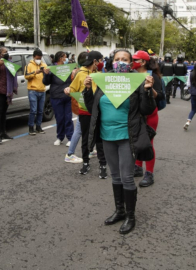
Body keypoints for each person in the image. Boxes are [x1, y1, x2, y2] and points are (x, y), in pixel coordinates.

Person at [82, 49, 156, 234]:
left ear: (131, 64)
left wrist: (147, 91)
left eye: (125, 59)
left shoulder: (137, 81)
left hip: (127, 136)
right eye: (117, 59)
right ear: (112, 61)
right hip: (107, 136)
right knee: (114, 176)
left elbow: (146, 110)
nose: (121, 62)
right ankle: (120, 211)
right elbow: (93, 108)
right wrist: (87, 90)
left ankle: (131, 216)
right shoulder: (104, 80)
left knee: (126, 177)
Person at [64, 51, 107, 178]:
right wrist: (67, 90)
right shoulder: (80, 74)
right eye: (100, 60)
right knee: (86, 139)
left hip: (100, 111)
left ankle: (103, 165)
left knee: (100, 138)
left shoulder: (100, 75)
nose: (101, 63)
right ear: (95, 61)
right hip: (85, 111)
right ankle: (86, 163)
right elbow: (72, 89)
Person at [131, 50, 164, 187]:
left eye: (135, 60)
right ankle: (138, 167)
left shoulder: (153, 77)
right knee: (137, 141)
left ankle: (149, 173)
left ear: (143, 62)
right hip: (135, 114)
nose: (132, 62)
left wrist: (150, 87)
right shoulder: (131, 75)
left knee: (147, 143)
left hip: (150, 115)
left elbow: (160, 96)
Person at [43, 51, 74, 146]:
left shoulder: (69, 67)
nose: (66, 59)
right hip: (56, 96)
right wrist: (47, 74)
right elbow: (46, 82)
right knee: (59, 118)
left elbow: (74, 80)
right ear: (60, 58)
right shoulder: (51, 68)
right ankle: (60, 137)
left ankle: (70, 138)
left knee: (68, 117)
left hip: (67, 96)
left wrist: (74, 73)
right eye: (65, 57)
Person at [0, 46, 18, 142]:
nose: (6, 54)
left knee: (4, 113)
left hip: (6, 91)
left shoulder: (9, 62)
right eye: (4, 52)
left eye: (7, 52)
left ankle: (3, 132)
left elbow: (13, 74)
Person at [24, 49, 47, 135]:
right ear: (34, 57)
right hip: (32, 90)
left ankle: (38, 127)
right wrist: (35, 72)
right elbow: (26, 76)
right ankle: (31, 128)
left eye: (40, 58)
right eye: (37, 58)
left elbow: (47, 77)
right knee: (33, 110)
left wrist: (46, 72)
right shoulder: (29, 65)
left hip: (42, 90)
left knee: (40, 110)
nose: (39, 60)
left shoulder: (44, 65)